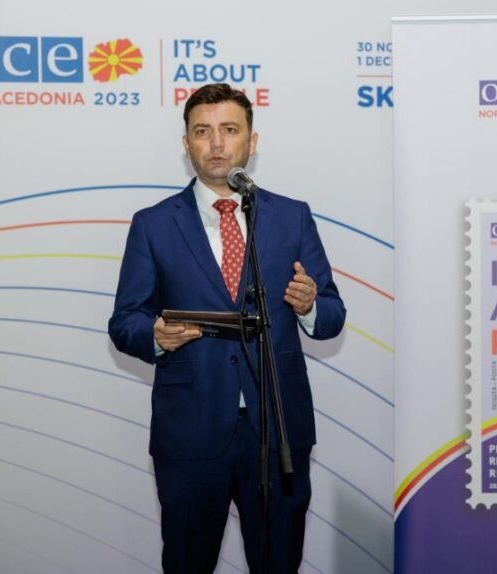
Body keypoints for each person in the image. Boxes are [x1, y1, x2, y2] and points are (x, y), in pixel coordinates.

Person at [108, 83, 346, 574]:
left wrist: (308, 307)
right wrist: (154, 336)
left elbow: (331, 315)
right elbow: (125, 320)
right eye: (203, 132)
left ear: (251, 142)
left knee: (278, 562)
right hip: (189, 432)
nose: (217, 143)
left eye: (230, 130)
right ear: (186, 144)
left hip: (277, 429)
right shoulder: (153, 224)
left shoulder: (291, 217)